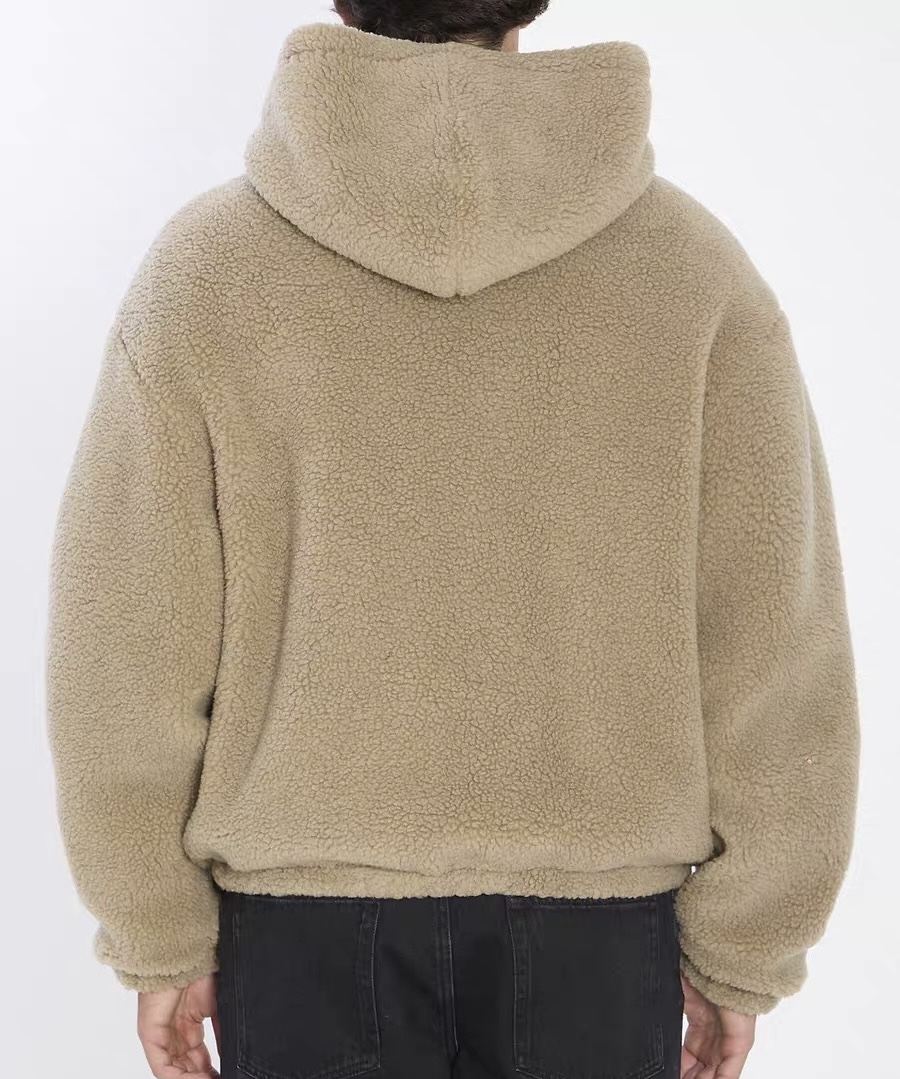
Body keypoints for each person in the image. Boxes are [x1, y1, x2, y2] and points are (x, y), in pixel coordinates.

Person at [44, 3, 861, 1079]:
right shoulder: (692, 274)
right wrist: (746, 944)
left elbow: (123, 634)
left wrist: (155, 926)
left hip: (301, 931)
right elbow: (778, 641)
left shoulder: (207, 273)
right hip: (601, 932)